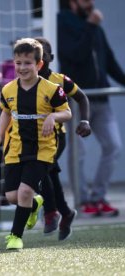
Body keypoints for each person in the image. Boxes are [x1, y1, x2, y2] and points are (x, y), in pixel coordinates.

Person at [0, 38, 72, 250]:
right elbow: (6, 113)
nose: (22, 67)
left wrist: (53, 117)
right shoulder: (7, 90)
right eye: (18, 63)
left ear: (39, 64)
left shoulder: (52, 89)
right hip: (15, 148)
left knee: (24, 192)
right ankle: (35, 205)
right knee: (11, 196)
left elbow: (67, 112)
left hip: (43, 149)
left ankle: (15, 237)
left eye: (27, 63)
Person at [58, 0, 124, 216]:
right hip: (77, 102)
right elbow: (75, 55)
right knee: (79, 152)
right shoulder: (63, 22)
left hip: (101, 98)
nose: (91, 3)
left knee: (113, 146)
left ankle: (98, 197)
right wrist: (91, 26)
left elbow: (110, 61)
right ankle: (82, 200)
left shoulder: (93, 25)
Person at [34, 37, 91, 240]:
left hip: (57, 137)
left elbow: (82, 97)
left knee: (41, 169)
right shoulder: (24, 82)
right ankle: (66, 212)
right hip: (33, 137)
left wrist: (85, 120)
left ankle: (51, 212)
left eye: (43, 52)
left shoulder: (60, 80)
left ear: (50, 57)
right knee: (50, 175)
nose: (39, 56)